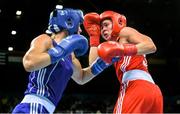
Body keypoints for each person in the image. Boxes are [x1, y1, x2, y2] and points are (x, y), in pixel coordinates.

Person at [12, 6, 110, 114]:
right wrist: (59, 51)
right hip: (33, 106)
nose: (81, 30)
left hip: (46, 109)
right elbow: (29, 63)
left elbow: (81, 77)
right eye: (79, 26)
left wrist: (103, 63)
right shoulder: (46, 40)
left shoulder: (70, 55)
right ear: (70, 23)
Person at [83, 11, 163, 113]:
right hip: (153, 92)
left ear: (117, 23)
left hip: (135, 87)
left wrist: (123, 50)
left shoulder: (124, 33)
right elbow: (93, 65)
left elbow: (151, 46)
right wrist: (94, 37)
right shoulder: (111, 49)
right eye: (101, 27)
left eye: (106, 25)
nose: (103, 29)